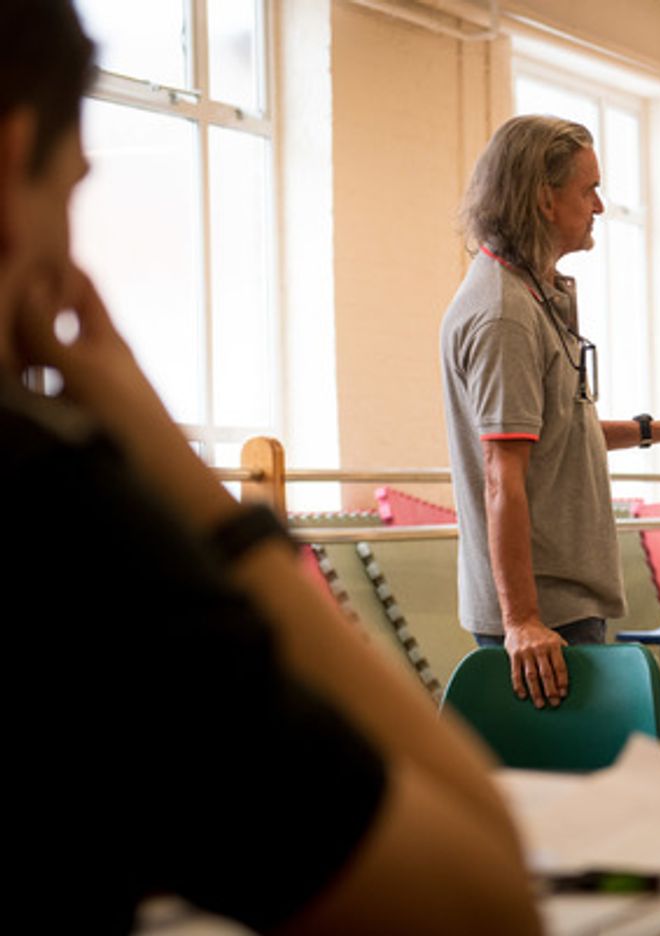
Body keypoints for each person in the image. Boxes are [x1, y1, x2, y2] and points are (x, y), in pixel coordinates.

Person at [3, 2, 539, 931]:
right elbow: (484, 903)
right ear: (14, 158)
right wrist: (223, 518)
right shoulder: (64, 525)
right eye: (74, 176)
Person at [441, 115, 660, 710]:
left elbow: (550, 436)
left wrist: (656, 431)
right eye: (588, 189)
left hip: (561, 604)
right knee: (563, 794)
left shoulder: (534, 296)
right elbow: (502, 476)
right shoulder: (504, 316)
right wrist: (522, 619)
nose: (599, 205)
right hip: (542, 620)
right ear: (546, 199)